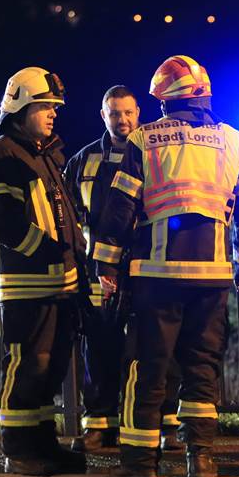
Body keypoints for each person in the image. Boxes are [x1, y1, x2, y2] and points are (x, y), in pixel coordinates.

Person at [94, 55, 239, 477]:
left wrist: (106, 263)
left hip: (157, 276)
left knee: (147, 365)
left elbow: (120, 206)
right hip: (212, 277)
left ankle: (138, 463)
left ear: (164, 100)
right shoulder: (233, 140)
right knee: (202, 367)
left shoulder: (145, 139)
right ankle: (200, 459)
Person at [0, 66, 88, 476]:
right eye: (44, 107)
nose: (53, 114)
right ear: (20, 109)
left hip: (58, 282)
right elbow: (1, 220)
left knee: (50, 369)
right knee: (27, 366)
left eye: (54, 107)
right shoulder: (2, 154)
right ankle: (20, 450)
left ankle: (43, 445)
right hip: (27, 285)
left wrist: (74, 260)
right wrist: (43, 252)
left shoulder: (44, 153)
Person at [64, 85, 184, 453]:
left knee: (159, 347)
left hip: (147, 266)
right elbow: (70, 217)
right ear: (103, 116)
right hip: (99, 271)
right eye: (115, 113)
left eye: (128, 112)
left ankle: (167, 423)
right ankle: (100, 425)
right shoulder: (83, 161)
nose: (123, 120)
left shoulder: (154, 153)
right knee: (100, 346)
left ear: (139, 113)